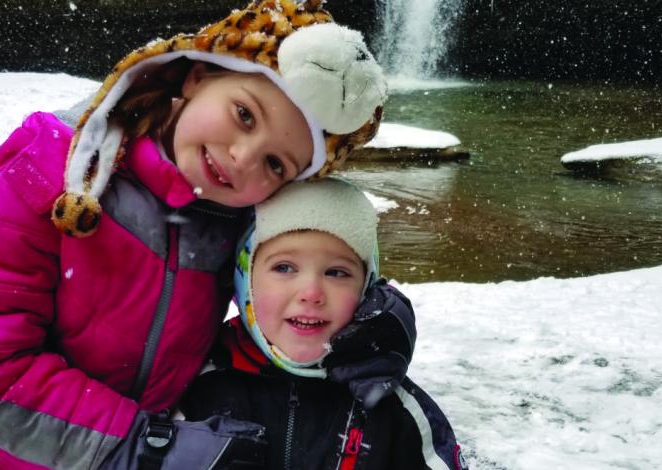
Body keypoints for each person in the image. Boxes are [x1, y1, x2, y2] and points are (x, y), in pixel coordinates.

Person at [0, 1, 391, 468]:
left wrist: (371, 326)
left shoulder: (235, 215)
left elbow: (294, 288)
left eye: (275, 164)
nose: (242, 157)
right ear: (198, 75)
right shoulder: (51, 173)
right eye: (244, 115)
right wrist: (141, 447)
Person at [179, 178, 467, 470]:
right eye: (284, 267)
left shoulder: (394, 409)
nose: (312, 293)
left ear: (365, 287)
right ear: (246, 281)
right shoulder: (199, 389)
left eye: (336, 272)